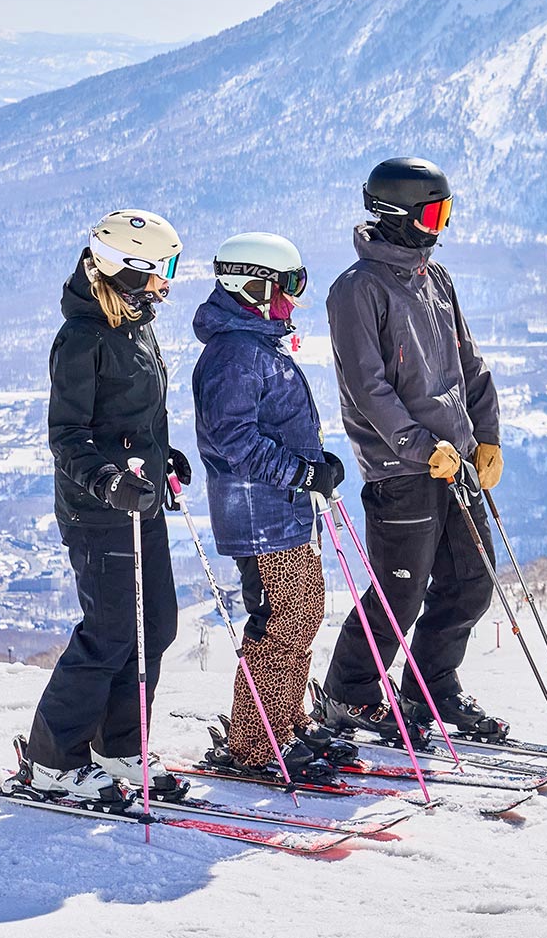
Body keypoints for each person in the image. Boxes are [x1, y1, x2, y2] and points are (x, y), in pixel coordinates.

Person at [312, 157, 508, 742]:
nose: (441, 225)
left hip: (458, 459)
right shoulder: (356, 291)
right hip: (403, 468)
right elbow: (367, 387)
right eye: (433, 213)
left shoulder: (436, 278)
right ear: (397, 215)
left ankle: (430, 692)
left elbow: (468, 365)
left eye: (446, 212)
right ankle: (349, 694)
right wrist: (421, 448)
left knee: (471, 580)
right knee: (401, 588)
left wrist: (487, 434)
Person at [19, 208, 191, 802]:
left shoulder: (135, 322)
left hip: (142, 501)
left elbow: (139, 410)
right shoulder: (81, 338)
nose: (167, 281)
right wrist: (108, 481)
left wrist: (163, 455)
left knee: (157, 626)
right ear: (128, 267)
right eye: (160, 269)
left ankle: (119, 748)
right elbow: (68, 435)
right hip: (98, 512)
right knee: (111, 631)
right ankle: (52, 758)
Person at [190, 232, 356, 780]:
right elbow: (234, 440)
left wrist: (314, 462)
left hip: (284, 511)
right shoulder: (234, 354)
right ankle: (256, 741)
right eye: (286, 286)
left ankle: (284, 721)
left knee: (301, 616)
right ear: (252, 285)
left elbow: (274, 427)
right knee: (280, 622)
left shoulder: (257, 345)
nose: (291, 299)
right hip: (258, 516)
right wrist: (302, 470)